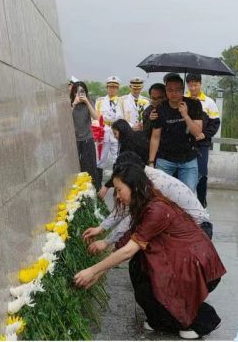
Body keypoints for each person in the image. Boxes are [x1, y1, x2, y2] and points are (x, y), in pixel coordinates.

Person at [73, 163, 225, 339]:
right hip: (183, 261)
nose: (117, 196)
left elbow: (128, 250)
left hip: (198, 266)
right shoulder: (145, 203)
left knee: (148, 283)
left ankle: (201, 320)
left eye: (119, 190)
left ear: (134, 186)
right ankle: (162, 319)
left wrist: (92, 270)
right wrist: (98, 273)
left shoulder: (156, 209)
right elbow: (127, 240)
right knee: (139, 269)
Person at [84, 151, 213, 255]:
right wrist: (101, 228)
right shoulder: (142, 179)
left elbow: (132, 218)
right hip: (185, 229)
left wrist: (107, 242)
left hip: (198, 232)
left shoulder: (153, 184)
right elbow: (126, 208)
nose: (118, 196)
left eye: (119, 189)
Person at [149, 73, 204, 193]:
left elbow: (197, 132)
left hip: (188, 158)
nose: (173, 94)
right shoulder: (160, 108)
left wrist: (185, 115)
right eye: (170, 90)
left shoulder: (194, 104)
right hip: (165, 158)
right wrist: (151, 161)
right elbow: (155, 137)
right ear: (166, 91)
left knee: (188, 195)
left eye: (177, 90)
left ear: (183, 90)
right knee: (160, 193)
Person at [184, 74, 221, 207]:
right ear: (187, 84)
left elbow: (215, 123)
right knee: (184, 171)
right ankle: (185, 202)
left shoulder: (209, 102)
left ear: (200, 84)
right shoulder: (183, 100)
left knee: (202, 172)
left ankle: (201, 201)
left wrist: (204, 134)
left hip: (202, 144)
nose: (193, 87)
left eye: (196, 84)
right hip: (185, 143)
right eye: (191, 84)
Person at [69, 79, 102, 191]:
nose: (80, 94)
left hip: (87, 139)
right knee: (75, 167)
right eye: (77, 92)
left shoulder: (89, 101)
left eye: (82, 91)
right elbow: (65, 118)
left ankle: (93, 189)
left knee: (90, 166)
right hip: (74, 141)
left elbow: (96, 117)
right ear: (73, 93)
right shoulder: (69, 103)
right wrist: (74, 103)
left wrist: (87, 102)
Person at [94, 77, 121, 175]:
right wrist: (97, 133)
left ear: (118, 89)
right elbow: (96, 118)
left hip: (117, 132)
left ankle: (117, 181)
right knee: (100, 159)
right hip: (104, 132)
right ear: (107, 88)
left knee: (118, 158)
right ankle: (97, 183)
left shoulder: (121, 101)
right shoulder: (100, 101)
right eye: (110, 87)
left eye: (115, 87)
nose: (112, 89)